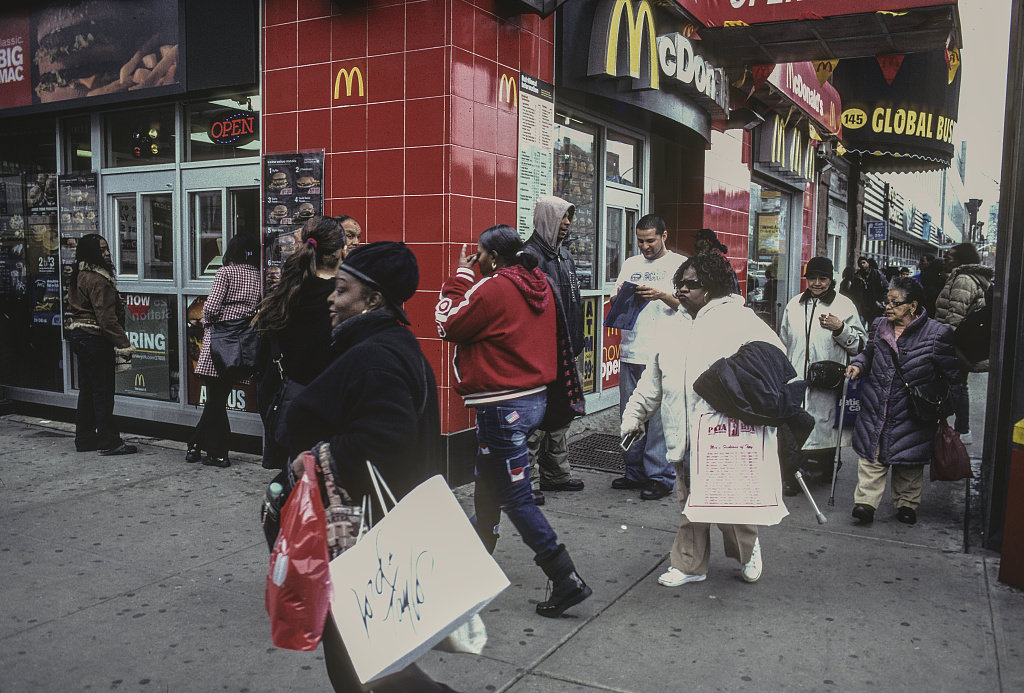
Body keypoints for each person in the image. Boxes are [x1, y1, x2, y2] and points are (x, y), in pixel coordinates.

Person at [284, 241, 456, 693]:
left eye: (342, 289)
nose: (331, 299)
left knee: (370, 673)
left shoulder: (377, 354)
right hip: (378, 537)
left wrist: (314, 458)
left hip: (364, 542)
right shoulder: (386, 343)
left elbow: (385, 441)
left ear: (373, 299)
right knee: (371, 667)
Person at [435, 224, 592, 618]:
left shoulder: (494, 287)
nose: (477, 258)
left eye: (480, 253)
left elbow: (448, 324)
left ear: (492, 256)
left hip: (502, 406)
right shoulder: (535, 280)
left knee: (515, 495)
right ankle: (476, 552)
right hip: (532, 399)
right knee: (488, 478)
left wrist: (462, 276)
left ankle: (565, 577)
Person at [626, 251, 784, 587]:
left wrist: (738, 385)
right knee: (690, 507)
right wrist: (635, 415)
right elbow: (653, 381)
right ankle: (689, 565)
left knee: (732, 510)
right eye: (679, 283)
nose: (682, 290)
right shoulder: (671, 327)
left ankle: (748, 549)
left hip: (725, 436)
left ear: (711, 287)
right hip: (683, 434)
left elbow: (775, 360)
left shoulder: (739, 320)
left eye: (690, 284)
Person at [846, 277, 964, 526]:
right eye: (887, 301)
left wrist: (959, 417)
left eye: (895, 302)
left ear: (913, 305)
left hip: (914, 409)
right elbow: (869, 353)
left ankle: (906, 504)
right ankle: (865, 504)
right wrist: (858, 365)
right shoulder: (879, 326)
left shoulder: (937, 333)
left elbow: (953, 376)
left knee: (908, 461)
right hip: (877, 403)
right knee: (871, 457)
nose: (888, 307)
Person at [254, 216, 345, 468]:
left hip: (292, 410)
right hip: (331, 417)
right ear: (341, 250)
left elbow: (262, 362)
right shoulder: (345, 299)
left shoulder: (286, 292)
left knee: (298, 494)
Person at [611, 214, 685, 501]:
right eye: (640, 241)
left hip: (663, 352)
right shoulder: (631, 264)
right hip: (632, 349)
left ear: (664, 236)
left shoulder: (679, 265)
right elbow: (617, 297)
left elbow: (689, 304)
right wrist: (617, 296)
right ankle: (634, 472)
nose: (645, 246)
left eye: (650, 240)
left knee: (658, 421)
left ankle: (660, 476)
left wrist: (662, 295)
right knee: (630, 413)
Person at [779, 257, 865, 492]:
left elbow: (861, 345)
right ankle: (794, 475)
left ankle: (826, 467)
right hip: (797, 380)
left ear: (831, 280)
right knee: (795, 428)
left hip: (828, 381)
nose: (817, 283)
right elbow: (783, 340)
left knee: (824, 429)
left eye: (823, 278)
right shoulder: (794, 304)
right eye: (812, 278)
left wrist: (841, 329)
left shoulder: (845, 306)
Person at [523, 195, 586, 503]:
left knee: (562, 413)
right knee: (536, 417)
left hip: (568, 350)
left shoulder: (564, 256)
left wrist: (578, 344)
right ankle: (530, 481)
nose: (567, 223)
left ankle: (556, 474)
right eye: (562, 217)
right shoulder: (528, 256)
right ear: (546, 218)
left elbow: (573, 304)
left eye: (569, 218)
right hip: (542, 354)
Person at [188, 234, 262, 468]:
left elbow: (210, 307)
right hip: (241, 343)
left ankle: (219, 453)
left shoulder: (225, 273)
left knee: (215, 401)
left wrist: (209, 321)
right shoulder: (257, 274)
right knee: (217, 398)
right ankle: (195, 445)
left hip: (220, 339)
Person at [65, 234, 137, 455]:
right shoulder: (98, 279)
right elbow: (106, 319)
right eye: (102, 250)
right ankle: (109, 441)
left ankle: (85, 439)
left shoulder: (80, 274)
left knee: (87, 390)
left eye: (107, 249)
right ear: (92, 253)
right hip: (95, 339)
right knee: (103, 392)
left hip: (79, 336)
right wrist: (123, 343)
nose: (107, 253)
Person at [933, 242, 993, 443]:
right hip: (960, 342)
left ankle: (961, 429)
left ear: (960, 259)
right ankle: (957, 428)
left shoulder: (964, 280)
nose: (945, 259)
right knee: (956, 384)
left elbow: (955, 316)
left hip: (954, 343)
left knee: (955, 385)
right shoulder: (967, 277)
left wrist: (942, 341)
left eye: (949, 256)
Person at [847, 256, 886, 324]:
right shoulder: (856, 276)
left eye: (864, 262)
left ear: (868, 263)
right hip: (862, 306)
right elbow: (852, 291)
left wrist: (882, 300)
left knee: (873, 326)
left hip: (874, 305)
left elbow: (884, 287)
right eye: (860, 263)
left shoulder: (876, 274)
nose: (862, 265)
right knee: (861, 326)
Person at [917, 253, 944, 317]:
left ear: (930, 262)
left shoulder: (932, 279)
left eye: (922, 261)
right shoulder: (920, 276)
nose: (919, 263)